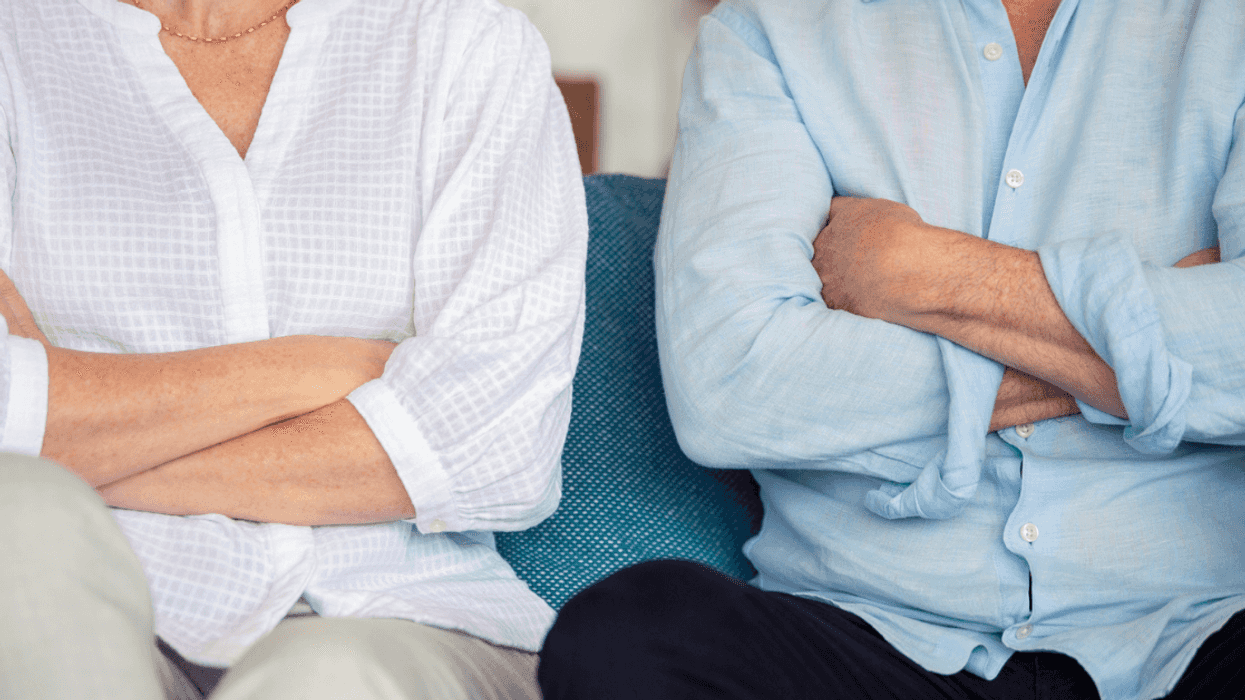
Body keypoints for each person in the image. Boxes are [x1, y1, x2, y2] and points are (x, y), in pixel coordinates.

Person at [538, 0, 1245, 699]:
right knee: (625, 637)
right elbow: (728, 383)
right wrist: (1147, 342)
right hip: (869, 629)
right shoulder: (769, 29)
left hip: (1195, 632)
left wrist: (915, 271)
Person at [0, 0, 587, 697]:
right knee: (18, 510)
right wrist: (319, 370)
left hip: (396, 614)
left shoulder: (464, 42)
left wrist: (77, 441)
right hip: (76, 605)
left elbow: (496, 447)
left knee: (325, 679)